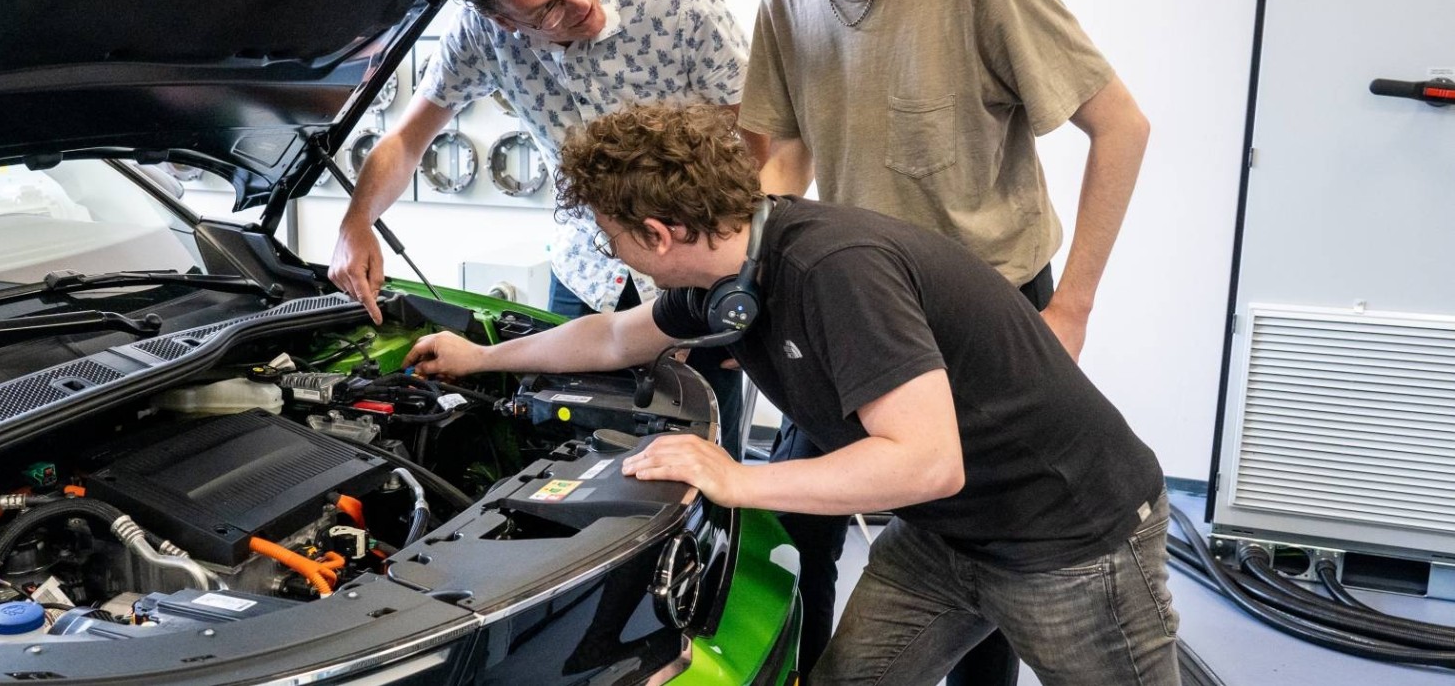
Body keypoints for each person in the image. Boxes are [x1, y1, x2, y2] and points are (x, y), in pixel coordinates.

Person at [404, 105, 1175, 685]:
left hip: (1070, 542)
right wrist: (481, 357)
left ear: (657, 233)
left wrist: (739, 478)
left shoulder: (834, 271)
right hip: (948, 538)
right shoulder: (727, 277)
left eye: (613, 237)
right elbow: (611, 338)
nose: (613, 253)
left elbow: (927, 461)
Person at [686, 0, 1155, 680]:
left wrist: (1072, 308)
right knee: (801, 522)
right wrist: (750, 289)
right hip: (851, 306)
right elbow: (790, 150)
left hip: (987, 310)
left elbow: (1122, 126)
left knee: (997, 546)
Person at [325, 0, 755, 420]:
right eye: (549, 9)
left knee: (702, 436)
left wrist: (745, 280)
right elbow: (406, 140)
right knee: (559, 429)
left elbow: (756, 140)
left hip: (699, 265)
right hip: (588, 269)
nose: (582, 3)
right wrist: (356, 222)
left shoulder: (679, 3)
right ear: (500, 20)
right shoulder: (478, 36)